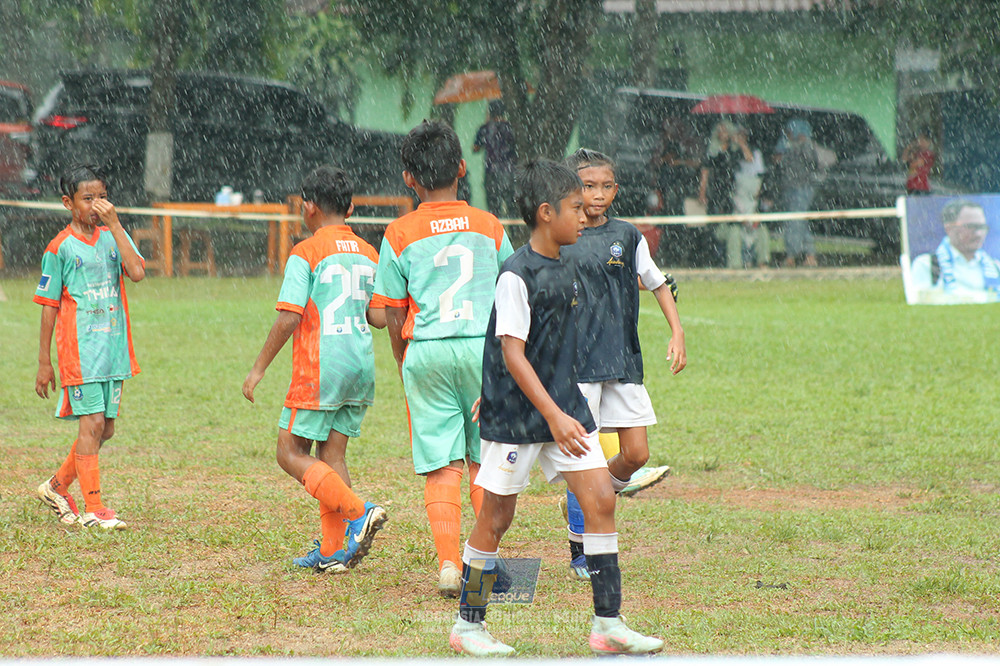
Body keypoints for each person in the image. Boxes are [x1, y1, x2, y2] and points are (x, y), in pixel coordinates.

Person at [449, 159, 664, 657]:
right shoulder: (516, 274)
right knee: (496, 517)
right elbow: (512, 352)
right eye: (574, 208)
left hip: (564, 406)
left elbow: (556, 343)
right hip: (520, 415)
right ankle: (468, 624)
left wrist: (561, 408)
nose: (585, 216)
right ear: (547, 213)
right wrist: (513, 398)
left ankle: (608, 624)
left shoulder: (570, 265)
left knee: (601, 499)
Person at [374, 120, 514, 597]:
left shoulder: (399, 232)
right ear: (461, 167)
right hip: (483, 350)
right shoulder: (488, 225)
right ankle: (483, 562)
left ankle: (450, 565)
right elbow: (513, 286)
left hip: (428, 350)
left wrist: (403, 357)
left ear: (408, 178)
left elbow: (392, 310)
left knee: (441, 465)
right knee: (483, 460)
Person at [243, 165, 388, 573]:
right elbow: (378, 317)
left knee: (289, 452)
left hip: (321, 367)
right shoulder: (369, 252)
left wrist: (258, 369)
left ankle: (359, 512)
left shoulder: (305, 252)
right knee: (332, 455)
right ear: (351, 208)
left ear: (308, 207)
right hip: (359, 365)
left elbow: (289, 317)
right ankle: (332, 550)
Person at [557, 148, 686, 581]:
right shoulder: (561, 235)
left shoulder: (628, 236)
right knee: (585, 459)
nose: (598, 194)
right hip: (577, 365)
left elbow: (657, 283)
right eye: (588, 186)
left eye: (606, 186)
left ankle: (590, 497)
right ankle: (581, 550)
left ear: (616, 188)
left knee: (635, 454)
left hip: (622, 359)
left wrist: (677, 332)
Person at [33, 164, 145, 530]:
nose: (97, 205)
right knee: (92, 424)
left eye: (102, 197)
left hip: (113, 351)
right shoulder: (59, 248)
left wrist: (116, 224)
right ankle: (94, 509)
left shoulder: (114, 236)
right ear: (68, 203)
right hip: (79, 353)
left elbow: (137, 272)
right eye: (88, 198)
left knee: (104, 429)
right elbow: (49, 306)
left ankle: (56, 487)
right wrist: (44, 362)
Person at [910, 199, 1000, 302]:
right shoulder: (927, 265)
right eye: (971, 227)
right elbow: (923, 303)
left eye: (982, 227)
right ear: (949, 229)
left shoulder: (996, 268)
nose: (978, 234)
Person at [698, 120, 752, 267]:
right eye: (720, 130)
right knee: (715, 227)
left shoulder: (733, 151)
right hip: (716, 193)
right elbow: (705, 172)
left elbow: (749, 158)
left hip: (731, 193)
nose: (722, 133)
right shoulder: (713, 151)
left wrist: (740, 142)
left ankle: (732, 258)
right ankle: (714, 257)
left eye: (725, 130)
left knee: (732, 225)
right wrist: (702, 193)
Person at [774, 118, 821, 268]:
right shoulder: (784, 143)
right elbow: (777, 160)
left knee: (795, 221)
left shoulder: (807, 145)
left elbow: (812, 163)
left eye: (791, 131)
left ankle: (791, 256)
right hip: (789, 188)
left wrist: (800, 144)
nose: (788, 134)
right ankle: (809, 255)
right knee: (800, 222)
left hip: (803, 188)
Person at [725, 127, 771, 269]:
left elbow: (750, 158)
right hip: (737, 219)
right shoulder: (732, 154)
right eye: (739, 136)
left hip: (753, 217)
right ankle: (736, 266)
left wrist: (756, 219)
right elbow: (733, 204)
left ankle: (763, 263)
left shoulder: (755, 153)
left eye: (743, 136)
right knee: (735, 233)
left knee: (762, 231)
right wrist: (742, 219)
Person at [472, 101, 516, 218]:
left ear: (490, 112)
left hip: (491, 172)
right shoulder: (511, 127)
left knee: (494, 210)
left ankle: (496, 228)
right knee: (512, 208)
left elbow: (475, 148)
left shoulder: (485, 129)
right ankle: (514, 229)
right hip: (510, 172)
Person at [902, 129, 936, 195]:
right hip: (912, 186)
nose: (920, 142)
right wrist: (909, 148)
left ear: (928, 142)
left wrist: (912, 160)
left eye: (922, 140)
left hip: (921, 187)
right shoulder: (917, 152)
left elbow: (915, 164)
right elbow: (904, 159)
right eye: (920, 140)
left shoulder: (928, 154)